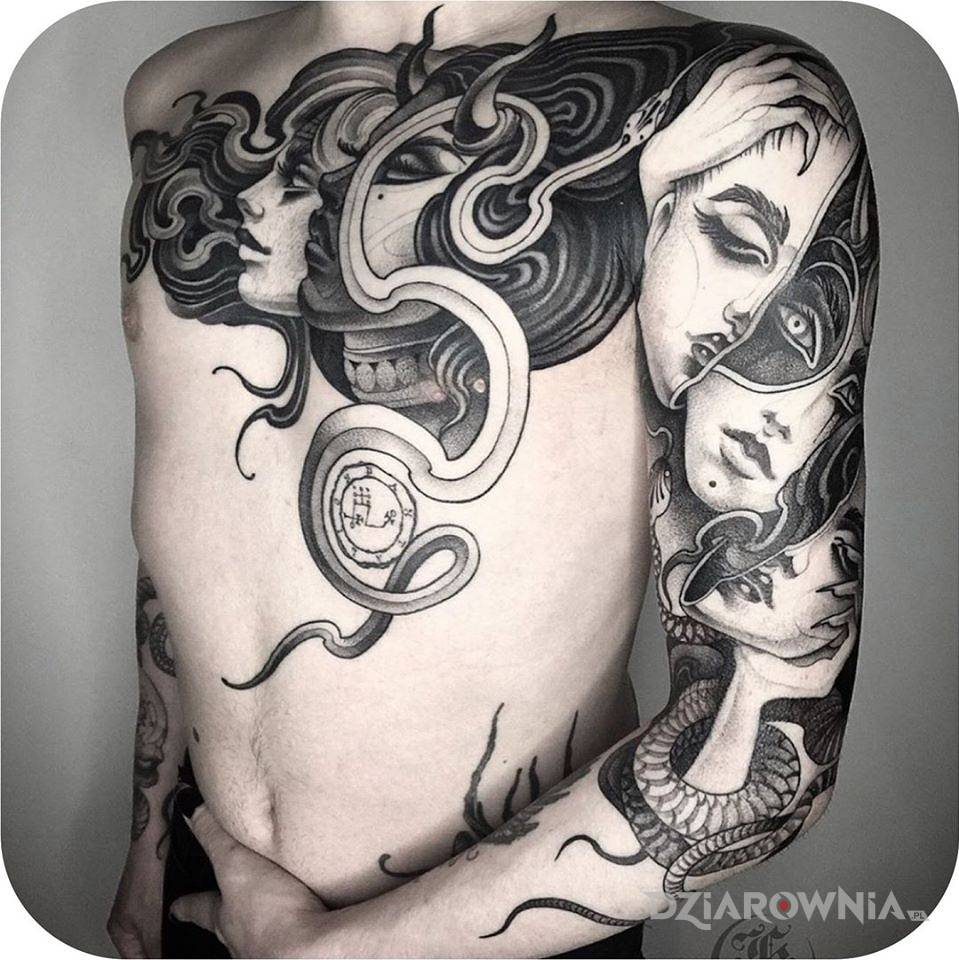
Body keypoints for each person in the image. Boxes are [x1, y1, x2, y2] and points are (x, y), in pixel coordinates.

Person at [107, 3, 878, 957]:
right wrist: (148, 843)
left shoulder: (734, 108)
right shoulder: (169, 96)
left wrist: (326, 951)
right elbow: (193, 518)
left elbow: (771, 730)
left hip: (486, 926)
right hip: (210, 889)